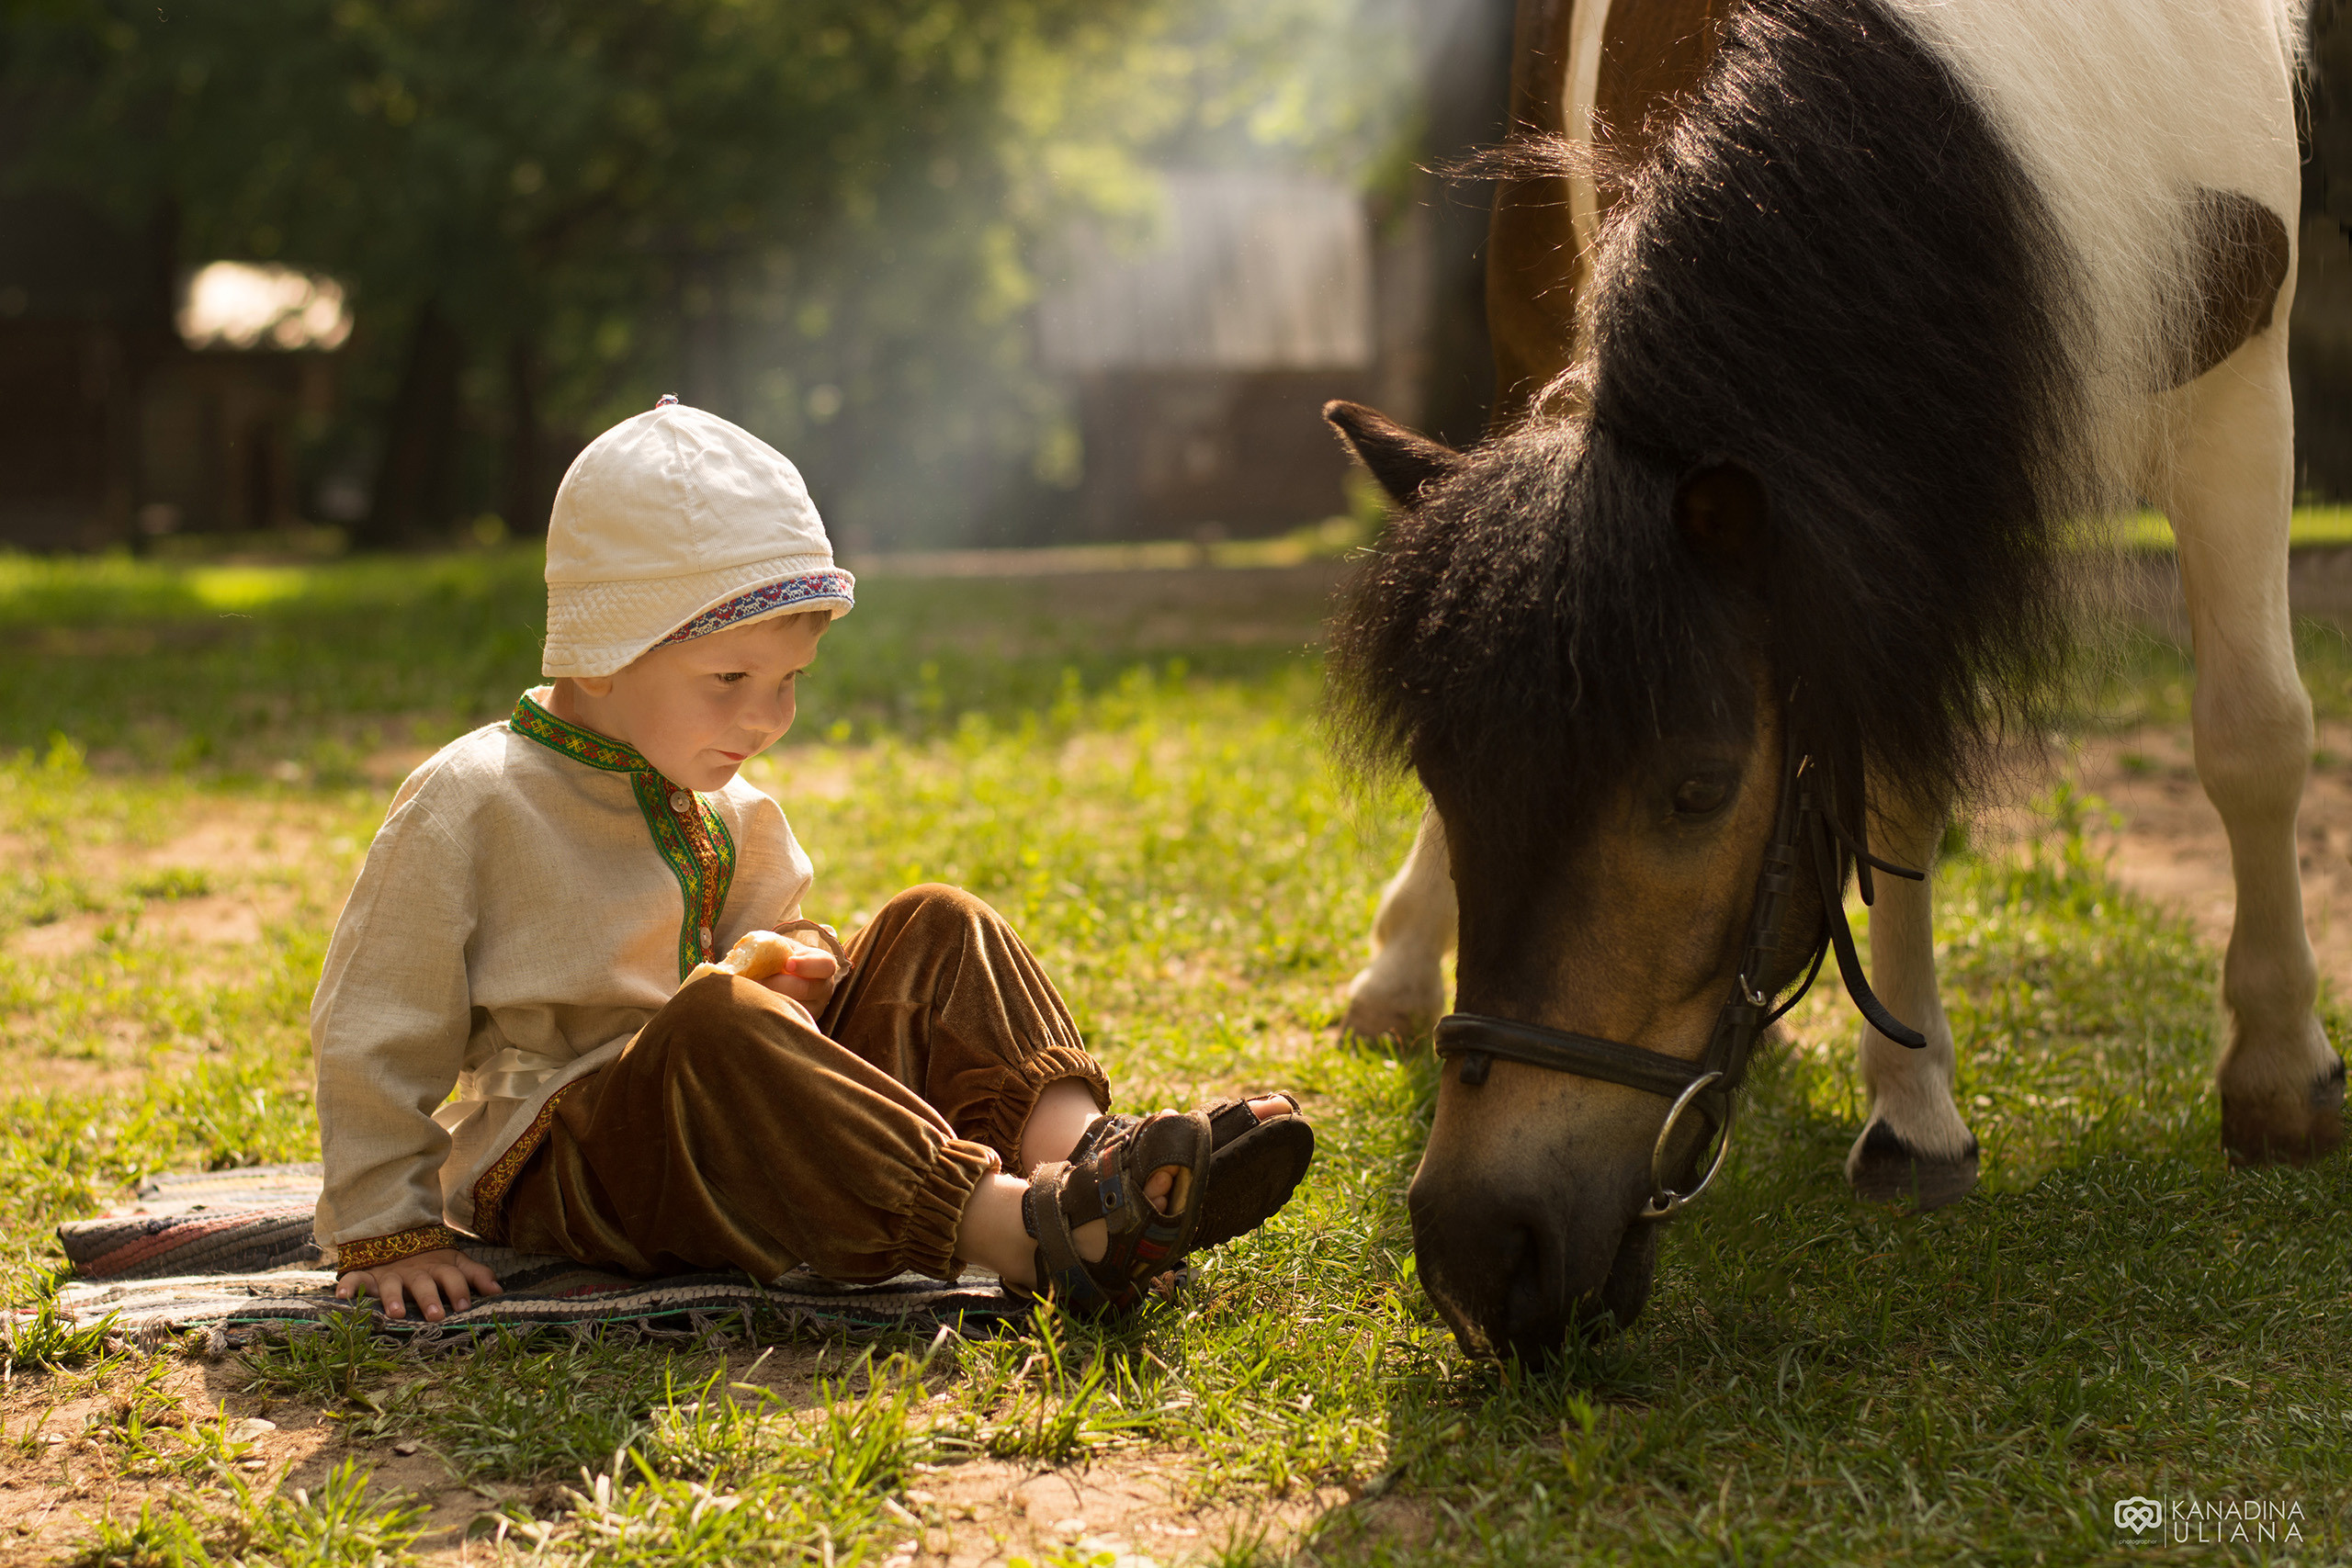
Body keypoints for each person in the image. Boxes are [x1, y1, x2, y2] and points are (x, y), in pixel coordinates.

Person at [310, 398, 1313, 1324]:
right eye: (730, 677)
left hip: (739, 1114)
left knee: (938, 917)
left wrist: (793, 958)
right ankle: (1030, 1234)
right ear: (602, 652)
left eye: (789, 680)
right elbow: (376, 1023)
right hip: (573, 1160)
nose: (765, 716)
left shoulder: (722, 796)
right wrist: (383, 1229)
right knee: (713, 1022)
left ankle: (1094, 1164)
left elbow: (773, 942)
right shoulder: (473, 800)